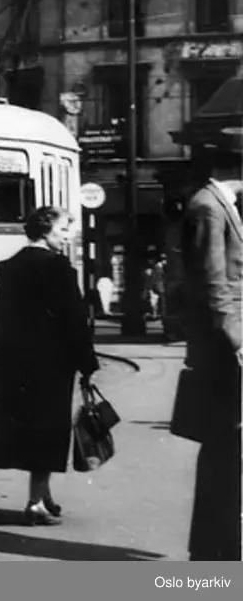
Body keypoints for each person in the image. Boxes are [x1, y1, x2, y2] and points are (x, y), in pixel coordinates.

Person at [0, 206, 99, 525]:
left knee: (28, 430)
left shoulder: (9, 268)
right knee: (48, 432)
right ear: (47, 231)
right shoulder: (58, 267)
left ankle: (44, 494)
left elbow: (1, 320)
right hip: (51, 363)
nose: (68, 236)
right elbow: (74, 321)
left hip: (16, 363)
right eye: (64, 230)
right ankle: (35, 502)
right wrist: (86, 363)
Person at [179, 145, 242, 561]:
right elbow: (214, 285)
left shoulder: (221, 203)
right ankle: (215, 550)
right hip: (223, 350)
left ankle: (220, 545)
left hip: (223, 346)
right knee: (226, 444)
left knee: (229, 446)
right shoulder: (208, 206)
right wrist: (238, 342)